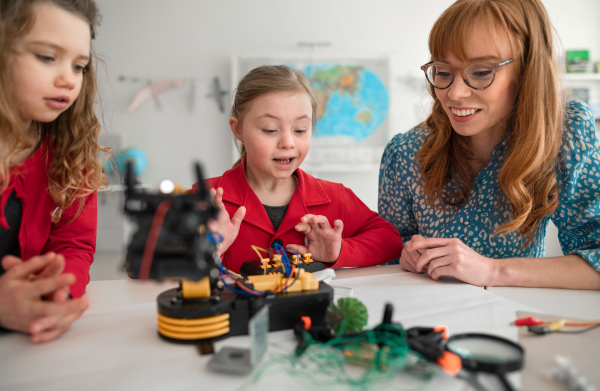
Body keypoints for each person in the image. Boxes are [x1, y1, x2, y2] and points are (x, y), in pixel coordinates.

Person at [379, 0, 600, 290]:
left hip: (518, 321)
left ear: (527, 70)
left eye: (481, 72)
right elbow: (385, 251)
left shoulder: (566, 137)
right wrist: (403, 256)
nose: (455, 94)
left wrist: (493, 271)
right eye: (443, 72)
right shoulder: (404, 153)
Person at [197, 65, 403, 273]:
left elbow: (390, 241)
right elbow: (167, 265)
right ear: (238, 129)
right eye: (270, 129)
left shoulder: (335, 197)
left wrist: (338, 251)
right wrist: (208, 250)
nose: (288, 142)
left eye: (300, 130)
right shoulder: (204, 198)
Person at [0, 0, 108, 342]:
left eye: (79, 66)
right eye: (47, 57)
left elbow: (74, 244)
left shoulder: (70, 148)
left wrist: (58, 294)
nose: (68, 80)